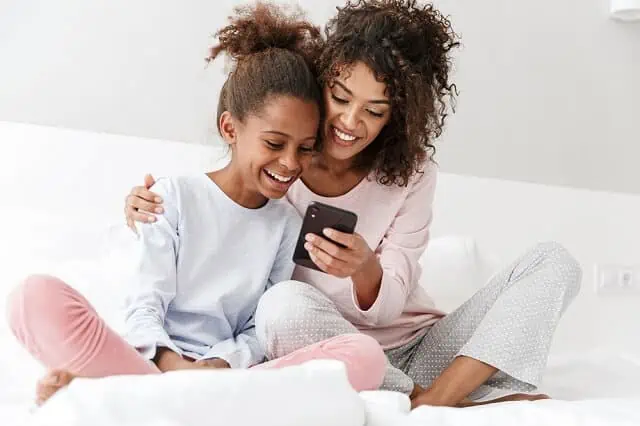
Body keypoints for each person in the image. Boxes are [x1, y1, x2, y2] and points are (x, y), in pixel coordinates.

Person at [123, 0, 582, 408]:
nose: (349, 121)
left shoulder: (412, 174)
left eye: (374, 110)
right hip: (323, 348)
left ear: (398, 114)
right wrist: (144, 205)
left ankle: (433, 398)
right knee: (280, 306)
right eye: (340, 97)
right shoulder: (285, 163)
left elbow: (390, 304)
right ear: (321, 84)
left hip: (420, 348)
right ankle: (456, 393)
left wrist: (365, 269)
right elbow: (217, 215)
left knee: (554, 262)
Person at [6, 2, 387, 407]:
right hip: (152, 361)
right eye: (274, 144)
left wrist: (218, 366)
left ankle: (123, 398)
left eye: (305, 149)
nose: (291, 163)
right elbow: (144, 301)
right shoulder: (173, 198)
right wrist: (172, 366)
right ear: (230, 128)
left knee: (365, 356)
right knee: (31, 297)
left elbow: (259, 328)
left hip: (223, 378)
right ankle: (168, 400)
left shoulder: (286, 225)